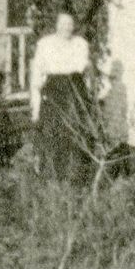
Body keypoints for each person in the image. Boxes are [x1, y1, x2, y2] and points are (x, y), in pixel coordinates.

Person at [29, 11, 94, 183]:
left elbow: (84, 71)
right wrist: (35, 105)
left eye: (70, 24)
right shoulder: (45, 44)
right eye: (63, 23)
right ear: (56, 25)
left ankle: (76, 179)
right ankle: (53, 178)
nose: (67, 27)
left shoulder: (80, 44)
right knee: (54, 131)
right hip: (54, 91)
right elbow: (37, 75)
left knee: (76, 131)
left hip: (75, 91)